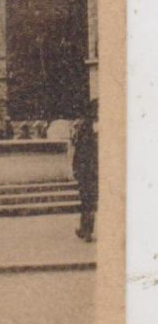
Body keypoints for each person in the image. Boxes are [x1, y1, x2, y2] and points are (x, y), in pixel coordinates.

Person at [73, 99, 99, 243]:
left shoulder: (84, 127)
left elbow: (79, 150)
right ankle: (85, 229)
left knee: (87, 201)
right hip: (92, 170)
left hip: (86, 170)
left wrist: (75, 168)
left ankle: (86, 230)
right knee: (89, 201)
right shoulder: (92, 126)